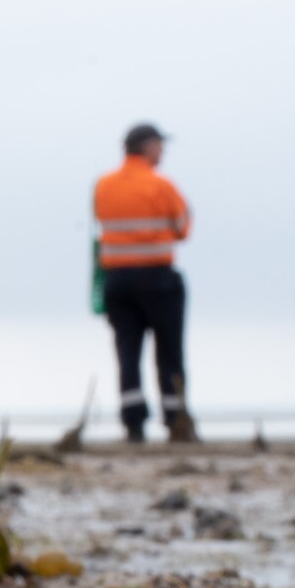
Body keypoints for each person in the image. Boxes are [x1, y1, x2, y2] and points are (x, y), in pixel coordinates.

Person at [94, 123, 197, 443]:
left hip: (117, 280)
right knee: (169, 351)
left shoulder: (103, 186)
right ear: (147, 146)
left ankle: (133, 423)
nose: (163, 152)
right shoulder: (161, 186)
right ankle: (176, 420)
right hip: (157, 278)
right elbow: (183, 228)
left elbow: (101, 223)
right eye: (160, 145)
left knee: (127, 351)